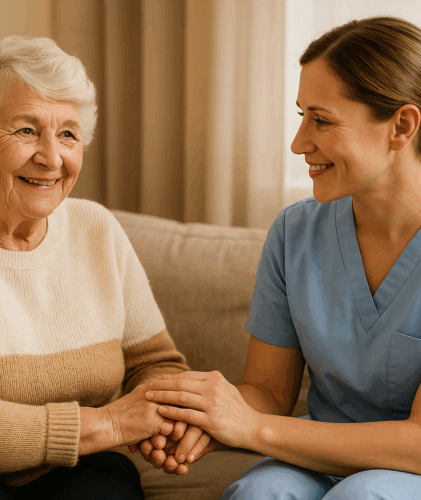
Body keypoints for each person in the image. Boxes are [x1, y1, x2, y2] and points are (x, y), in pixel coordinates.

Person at [143, 16, 421, 499]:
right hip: (314, 455)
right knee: (260, 494)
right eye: (301, 116)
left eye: (323, 120)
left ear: (401, 125)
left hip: (407, 468)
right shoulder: (295, 233)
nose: (299, 144)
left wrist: (251, 429)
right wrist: (206, 415)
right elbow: (268, 394)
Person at [0, 34, 201, 499]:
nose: (53, 158)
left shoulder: (96, 228)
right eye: (26, 130)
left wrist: (165, 415)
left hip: (85, 468)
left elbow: (155, 364)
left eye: (68, 134)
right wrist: (109, 422)